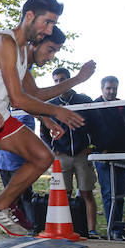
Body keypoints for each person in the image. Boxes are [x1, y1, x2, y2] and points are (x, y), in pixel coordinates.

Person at [0, 0, 85, 236]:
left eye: (53, 25)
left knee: (42, 156)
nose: (49, 29)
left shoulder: (23, 51)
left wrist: (45, 117)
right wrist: (58, 109)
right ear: (30, 16)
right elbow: (18, 98)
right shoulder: (5, 41)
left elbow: (31, 94)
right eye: (47, 23)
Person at [40, 67, 98, 237]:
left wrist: (92, 146)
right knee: (63, 194)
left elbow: (96, 125)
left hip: (82, 155)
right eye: (56, 80)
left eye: (63, 79)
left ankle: (92, 229)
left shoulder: (84, 100)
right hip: (61, 156)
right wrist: (52, 149)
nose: (60, 83)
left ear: (69, 79)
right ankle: (66, 229)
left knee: (86, 192)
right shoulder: (49, 105)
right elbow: (43, 131)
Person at [87, 76, 125, 240]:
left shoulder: (123, 106)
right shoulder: (94, 106)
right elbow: (90, 132)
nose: (111, 91)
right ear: (102, 88)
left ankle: (119, 228)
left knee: (122, 193)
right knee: (110, 192)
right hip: (104, 157)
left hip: (123, 157)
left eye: (114, 88)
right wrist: (99, 149)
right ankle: (114, 229)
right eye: (108, 88)